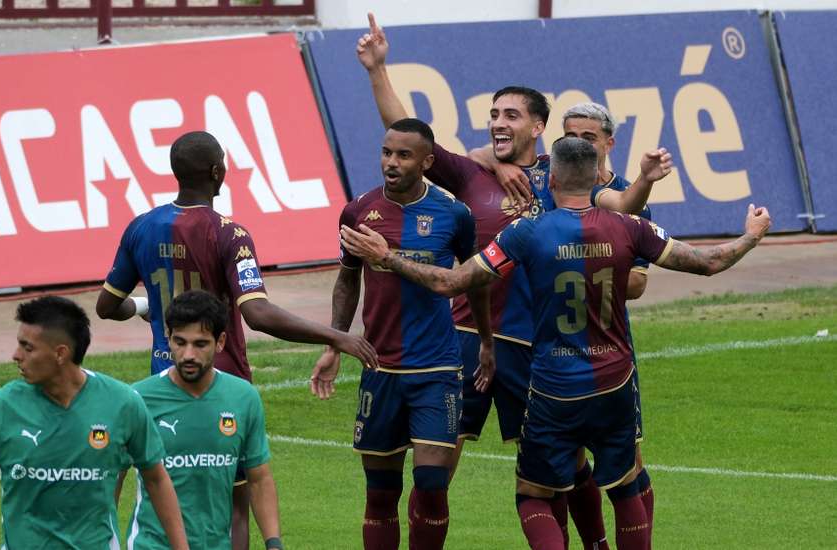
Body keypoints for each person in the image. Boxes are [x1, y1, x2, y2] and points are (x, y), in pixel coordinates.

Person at [339, 137, 772, 550]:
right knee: (624, 487)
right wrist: (751, 234)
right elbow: (709, 262)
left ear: (553, 181)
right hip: (615, 382)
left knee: (535, 495)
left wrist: (387, 257)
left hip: (552, 386)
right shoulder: (631, 227)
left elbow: (451, 282)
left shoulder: (526, 233)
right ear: (597, 181)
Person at [356, 13, 672, 548]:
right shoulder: (469, 173)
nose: (498, 123)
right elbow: (408, 134)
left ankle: (593, 543)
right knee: (435, 473)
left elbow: (622, 206)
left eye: (510, 115)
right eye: (493, 114)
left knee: (566, 472)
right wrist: (377, 70)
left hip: (538, 348)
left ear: (537, 126)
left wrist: (641, 179)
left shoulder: (563, 176)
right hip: (463, 341)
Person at [96, 130, 378, 550]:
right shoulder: (229, 233)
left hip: (163, 384)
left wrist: (147, 307)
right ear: (217, 173)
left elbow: (106, 305)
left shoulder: (141, 227)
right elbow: (257, 313)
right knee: (232, 506)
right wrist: (337, 336)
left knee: (161, 496)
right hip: (221, 382)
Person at [0, 296, 188, 550]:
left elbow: (156, 478)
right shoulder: (4, 405)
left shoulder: (122, 403)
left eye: (27, 347)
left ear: (60, 354)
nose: (15, 355)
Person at [311, 117, 491, 550]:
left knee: (431, 488)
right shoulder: (358, 211)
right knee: (381, 496)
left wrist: (486, 340)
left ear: (427, 161)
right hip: (381, 368)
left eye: (404, 155)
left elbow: (474, 280)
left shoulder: (455, 214)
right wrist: (334, 343)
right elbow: (347, 279)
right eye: (387, 152)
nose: (391, 162)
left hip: (438, 369)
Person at [562, 101, 658, 538]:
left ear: (608, 142)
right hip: (550, 347)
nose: (578, 144)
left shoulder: (629, 198)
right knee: (562, 459)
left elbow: (636, 284)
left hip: (609, 345)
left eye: (589, 137)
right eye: (571, 136)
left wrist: (569, 271)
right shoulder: (548, 185)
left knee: (626, 461)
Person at [121, 290, 283, 550]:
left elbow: (259, 478)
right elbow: (112, 478)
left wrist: (273, 543)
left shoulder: (243, 398)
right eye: (180, 342)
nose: (188, 354)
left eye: (200, 344)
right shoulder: (138, 399)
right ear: (168, 339)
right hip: (151, 545)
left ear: (220, 342)